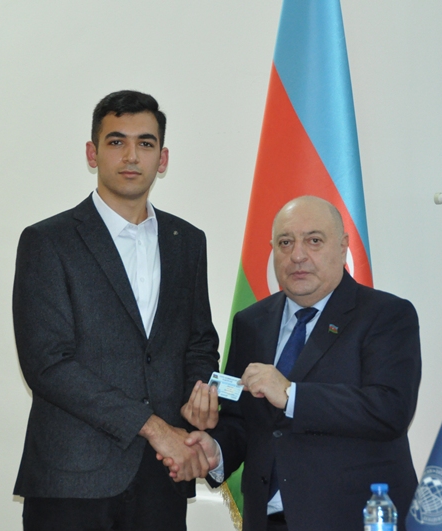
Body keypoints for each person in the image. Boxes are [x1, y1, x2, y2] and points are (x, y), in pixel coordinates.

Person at [12, 90, 220, 531]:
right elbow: (47, 364)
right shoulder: (48, 241)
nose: (131, 155)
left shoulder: (188, 241)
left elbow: (199, 342)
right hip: (72, 481)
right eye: (116, 141)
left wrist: (198, 397)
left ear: (162, 159)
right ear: (93, 153)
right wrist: (152, 427)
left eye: (145, 143)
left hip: (163, 478)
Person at [169, 196, 422, 531]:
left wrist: (292, 395)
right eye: (285, 243)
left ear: (343, 247)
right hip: (265, 521)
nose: (298, 255)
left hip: (353, 520)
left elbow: (390, 410)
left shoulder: (386, 315)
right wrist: (217, 450)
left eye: (314, 241)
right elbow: (241, 419)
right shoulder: (251, 322)